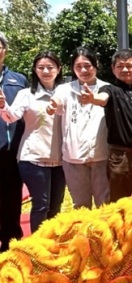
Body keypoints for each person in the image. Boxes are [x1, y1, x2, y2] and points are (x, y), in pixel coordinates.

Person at [0, 51, 66, 233]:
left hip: (61, 159)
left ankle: (52, 244)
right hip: (33, 156)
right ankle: (38, 248)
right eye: (41, 67)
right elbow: (11, 117)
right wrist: (3, 106)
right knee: (41, 204)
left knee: (56, 205)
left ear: (58, 69)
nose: (46, 71)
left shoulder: (66, 93)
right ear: (35, 70)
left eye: (50, 67)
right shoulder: (26, 94)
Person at [83, 49, 132, 202]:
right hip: (120, 158)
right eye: (120, 66)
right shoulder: (109, 90)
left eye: (129, 66)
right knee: (119, 203)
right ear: (113, 69)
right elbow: (102, 99)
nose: (125, 69)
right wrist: (93, 99)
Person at [49, 48, 110, 209]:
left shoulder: (107, 88)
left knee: (105, 203)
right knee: (80, 206)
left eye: (87, 65)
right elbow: (58, 100)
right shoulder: (65, 89)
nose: (83, 70)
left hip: (102, 156)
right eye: (78, 66)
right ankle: (84, 235)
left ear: (96, 66)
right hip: (73, 157)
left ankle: (106, 234)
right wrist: (54, 104)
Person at [0, 31, 27, 251]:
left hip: (11, 150)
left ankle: (10, 238)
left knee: (11, 196)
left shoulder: (18, 80)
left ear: (5, 51)